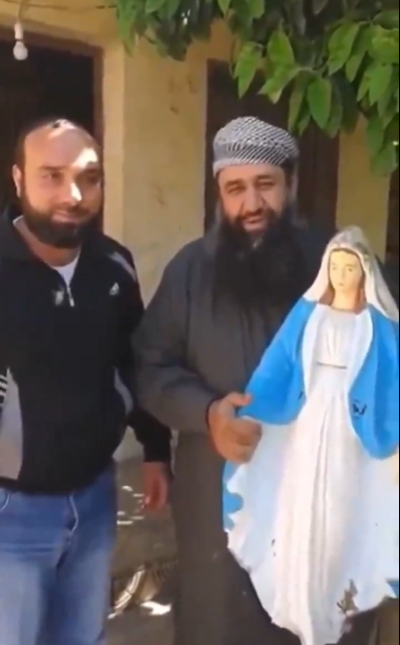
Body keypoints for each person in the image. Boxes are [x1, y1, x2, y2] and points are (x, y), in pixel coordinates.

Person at [132, 116, 383, 645]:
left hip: (326, 496)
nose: (251, 203)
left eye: (265, 184)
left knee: (324, 618)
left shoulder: (344, 268)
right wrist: (206, 413)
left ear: (292, 184)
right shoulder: (190, 272)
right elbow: (149, 366)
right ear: (219, 194)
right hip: (219, 500)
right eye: (235, 188)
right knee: (220, 623)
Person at [0, 117, 171, 645]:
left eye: (88, 178)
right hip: (11, 515)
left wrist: (155, 449)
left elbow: (133, 360)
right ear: (18, 179)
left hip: (96, 500)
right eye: (51, 176)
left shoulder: (114, 267)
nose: (72, 195)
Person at [223, 225, 399, 645]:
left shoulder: (376, 326)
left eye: (349, 268)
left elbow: (391, 380)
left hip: (351, 435)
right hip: (308, 423)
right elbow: (278, 365)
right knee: (301, 506)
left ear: (364, 273)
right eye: (335, 266)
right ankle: (299, 595)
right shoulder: (310, 316)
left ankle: (335, 599)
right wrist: (256, 408)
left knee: (341, 510)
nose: (341, 275)